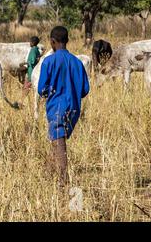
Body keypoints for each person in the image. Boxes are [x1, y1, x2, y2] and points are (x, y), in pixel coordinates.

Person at [38, 26, 90, 185]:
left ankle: (63, 179)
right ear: (67, 41)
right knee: (58, 138)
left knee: (58, 140)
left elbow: (41, 89)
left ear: (52, 42)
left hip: (56, 108)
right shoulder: (77, 62)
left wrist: (51, 92)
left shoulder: (48, 61)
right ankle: (51, 171)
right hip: (74, 108)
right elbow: (85, 90)